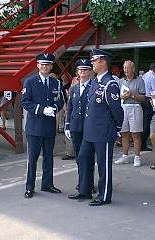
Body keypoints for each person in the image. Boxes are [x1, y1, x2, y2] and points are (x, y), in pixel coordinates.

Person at [69, 49, 124, 206]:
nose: (92, 63)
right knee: (83, 158)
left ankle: (104, 195)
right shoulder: (95, 82)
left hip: (103, 131)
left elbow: (117, 110)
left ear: (103, 62)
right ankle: (84, 190)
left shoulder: (110, 83)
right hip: (90, 131)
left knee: (103, 164)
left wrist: (117, 128)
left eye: (94, 60)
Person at [21, 52, 64, 199]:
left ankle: (47, 184)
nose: (45, 67)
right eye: (42, 64)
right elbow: (25, 102)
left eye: (48, 64)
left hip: (49, 126)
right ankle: (29, 187)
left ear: (51, 66)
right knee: (32, 159)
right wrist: (42, 109)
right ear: (38, 65)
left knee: (48, 158)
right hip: (34, 127)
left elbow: (61, 100)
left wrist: (54, 108)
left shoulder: (56, 83)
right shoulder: (30, 82)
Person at [65, 59, 94, 193]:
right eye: (80, 70)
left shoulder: (94, 86)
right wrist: (67, 124)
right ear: (77, 72)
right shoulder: (74, 88)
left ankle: (89, 183)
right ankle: (82, 181)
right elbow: (70, 107)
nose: (82, 72)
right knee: (78, 156)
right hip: (76, 126)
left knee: (87, 156)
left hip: (88, 127)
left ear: (90, 72)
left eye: (85, 70)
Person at [114, 60, 145, 167]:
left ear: (133, 69)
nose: (126, 70)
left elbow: (143, 97)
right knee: (124, 133)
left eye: (128, 68)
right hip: (123, 108)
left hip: (135, 107)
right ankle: (125, 156)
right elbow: (117, 96)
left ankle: (137, 157)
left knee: (135, 134)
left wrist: (131, 95)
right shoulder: (120, 81)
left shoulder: (139, 81)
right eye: (125, 68)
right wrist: (121, 97)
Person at [141, 63, 155, 151]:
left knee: (144, 122)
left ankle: (142, 143)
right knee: (148, 123)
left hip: (143, 100)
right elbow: (154, 91)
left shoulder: (144, 75)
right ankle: (143, 144)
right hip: (149, 100)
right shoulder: (153, 77)